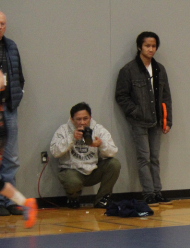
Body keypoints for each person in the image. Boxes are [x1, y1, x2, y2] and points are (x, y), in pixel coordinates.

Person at [115, 31, 173, 207]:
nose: (151, 49)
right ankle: (148, 193)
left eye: (154, 46)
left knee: (155, 158)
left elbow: (166, 96)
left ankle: (157, 192)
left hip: (157, 121)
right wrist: (135, 111)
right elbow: (121, 96)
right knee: (144, 158)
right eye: (147, 45)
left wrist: (167, 120)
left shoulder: (160, 69)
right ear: (140, 46)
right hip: (139, 122)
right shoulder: (128, 70)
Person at [49, 102, 120, 209]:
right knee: (73, 181)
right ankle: (73, 198)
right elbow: (55, 152)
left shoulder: (99, 129)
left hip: (93, 170)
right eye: (78, 119)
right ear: (72, 119)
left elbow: (113, 151)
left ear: (90, 118)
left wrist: (101, 145)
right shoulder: (63, 130)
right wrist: (71, 138)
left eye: (85, 118)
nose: (82, 122)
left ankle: (102, 199)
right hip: (72, 171)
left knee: (114, 164)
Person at [0, 11, 25, 217]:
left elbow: (20, 78)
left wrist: (17, 96)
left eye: (2, 23)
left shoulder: (11, 46)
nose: (0, 26)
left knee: (11, 158)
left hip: (8, 109)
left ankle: (8, 201)